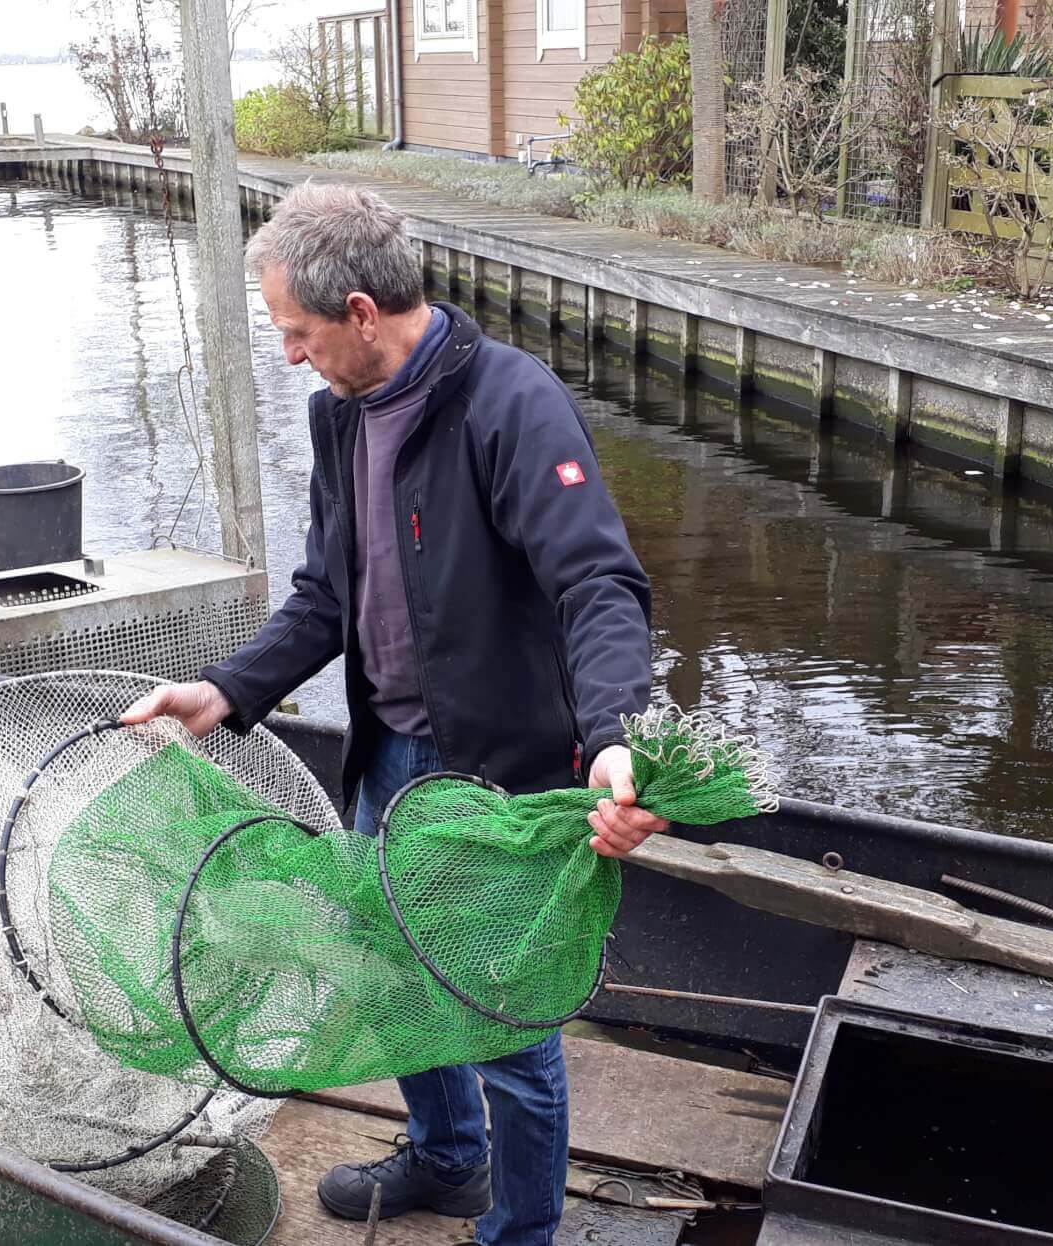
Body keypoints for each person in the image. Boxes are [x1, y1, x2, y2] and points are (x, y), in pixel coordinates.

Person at [121, 182, 667, 1246]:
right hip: (387, 757)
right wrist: (228, 688)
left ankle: (519, 1229)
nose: (289, 355)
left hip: (500, 775)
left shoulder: (510, 402)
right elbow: (328, 594)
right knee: (385, 973)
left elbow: (597, 584)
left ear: (362, 313)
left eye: (298, 332)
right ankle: (448, 1159)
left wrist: (610, 735)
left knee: (508, 1020)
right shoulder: (340, 418)